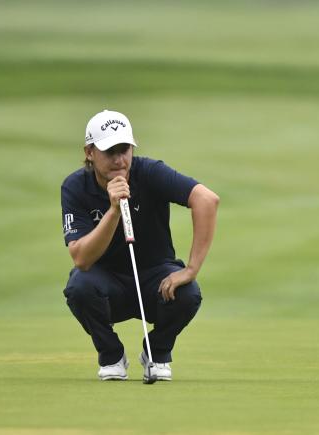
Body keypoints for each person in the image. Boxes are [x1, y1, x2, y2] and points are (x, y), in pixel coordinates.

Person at [60, 109, 219, 381]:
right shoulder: (75, 187)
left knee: (188, 292)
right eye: (110, 151)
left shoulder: (149, 172)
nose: (119, 159)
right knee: (79, 286)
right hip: (106, 286)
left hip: (155, 281)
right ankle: (111, 355)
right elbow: (81, 259)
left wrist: (191, 269)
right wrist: (113, 211)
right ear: (89, 152)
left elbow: (206, 200)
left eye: (125, 149)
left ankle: (156, 353)